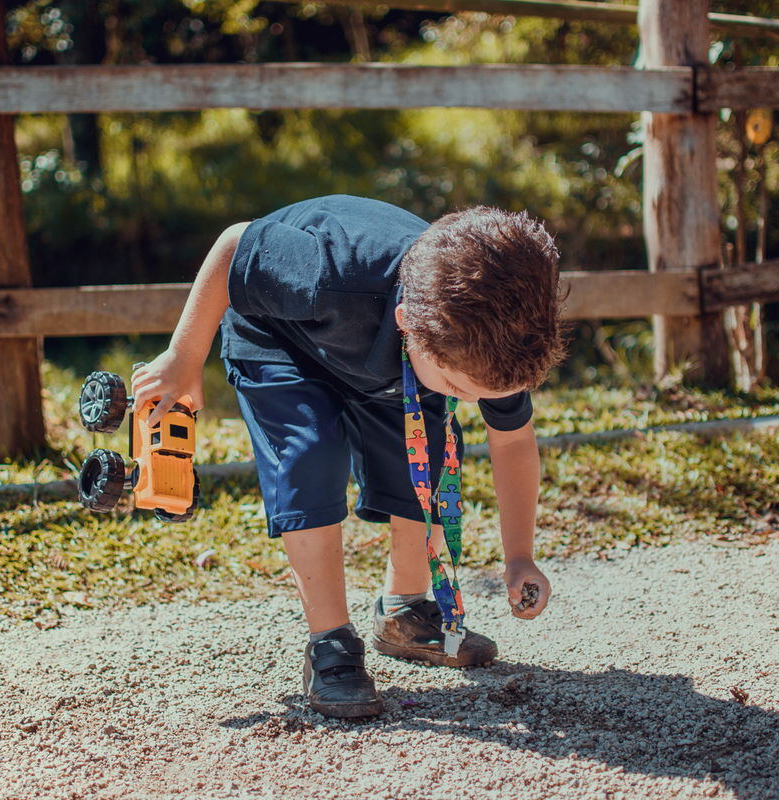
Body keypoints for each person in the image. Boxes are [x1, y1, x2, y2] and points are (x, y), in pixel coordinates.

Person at [132, 195, 565, 718]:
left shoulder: (489, 336)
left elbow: (513, 441)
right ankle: (331, 642)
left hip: (384, 356)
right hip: (280, 334)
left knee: (428, 445)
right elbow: (233, 244)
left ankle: (404, 609)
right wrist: (183, 358)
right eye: (460, 386)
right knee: (311, 456)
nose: (472, 401)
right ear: (411, 323)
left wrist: (519, 556)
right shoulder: (330, 271)